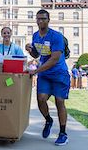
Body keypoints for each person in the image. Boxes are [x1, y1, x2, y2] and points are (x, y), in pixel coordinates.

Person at [25, 9, 70, 146]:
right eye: (38, 19)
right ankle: (48, 120)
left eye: (43, 18)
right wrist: (30, 50)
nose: (41, 21)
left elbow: (54, 59)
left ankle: (63, 133)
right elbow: (37, 55)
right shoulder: (35, 36)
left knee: (59, 102)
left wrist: (36, 70)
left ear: (48, 20)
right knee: (41, 100)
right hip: (45, 74)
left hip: (59, 73)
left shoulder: (56, 36)